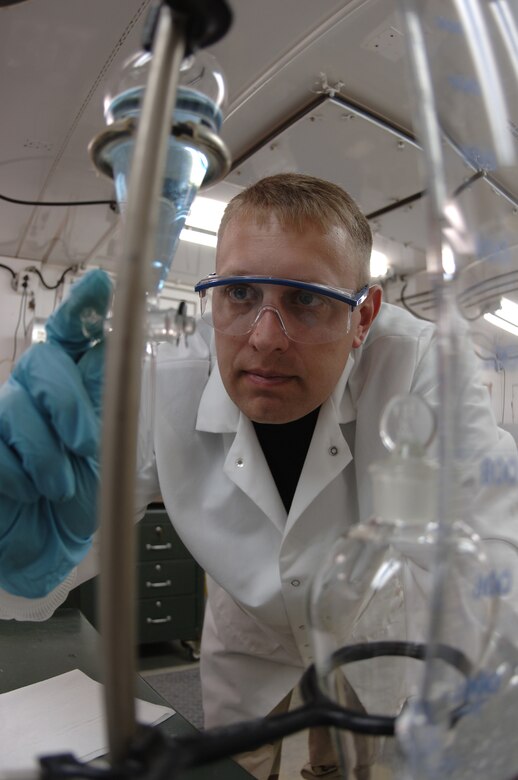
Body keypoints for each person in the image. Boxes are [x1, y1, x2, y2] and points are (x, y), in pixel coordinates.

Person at [0, 173, 517, 778]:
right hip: (248, 645)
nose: (265, 339)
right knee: (237, 768)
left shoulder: (424, 364)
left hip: (367, 637)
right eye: (240, 292)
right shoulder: (166, 377)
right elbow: (53, 557)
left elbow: (497, 555)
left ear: (365, 316)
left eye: (306, 299)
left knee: (350, 767)